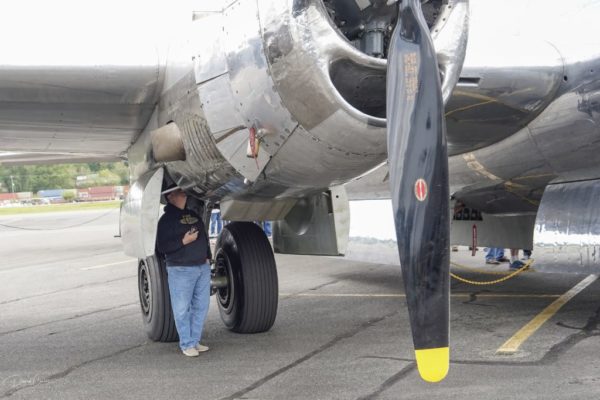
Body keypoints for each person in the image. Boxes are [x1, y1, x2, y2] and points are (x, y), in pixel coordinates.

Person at [156, 185, 212, 357]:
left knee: (201, 306)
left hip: (201, 267)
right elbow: (162, 247)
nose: (184, 194)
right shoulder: (165, 220)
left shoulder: (194, 215)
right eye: (179, 192)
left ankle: (194, 341)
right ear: (170, 197)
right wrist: (183, 241)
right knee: (182, 309)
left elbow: (204, 237)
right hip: (181, 269)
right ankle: (186, 344)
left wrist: (208, 257)